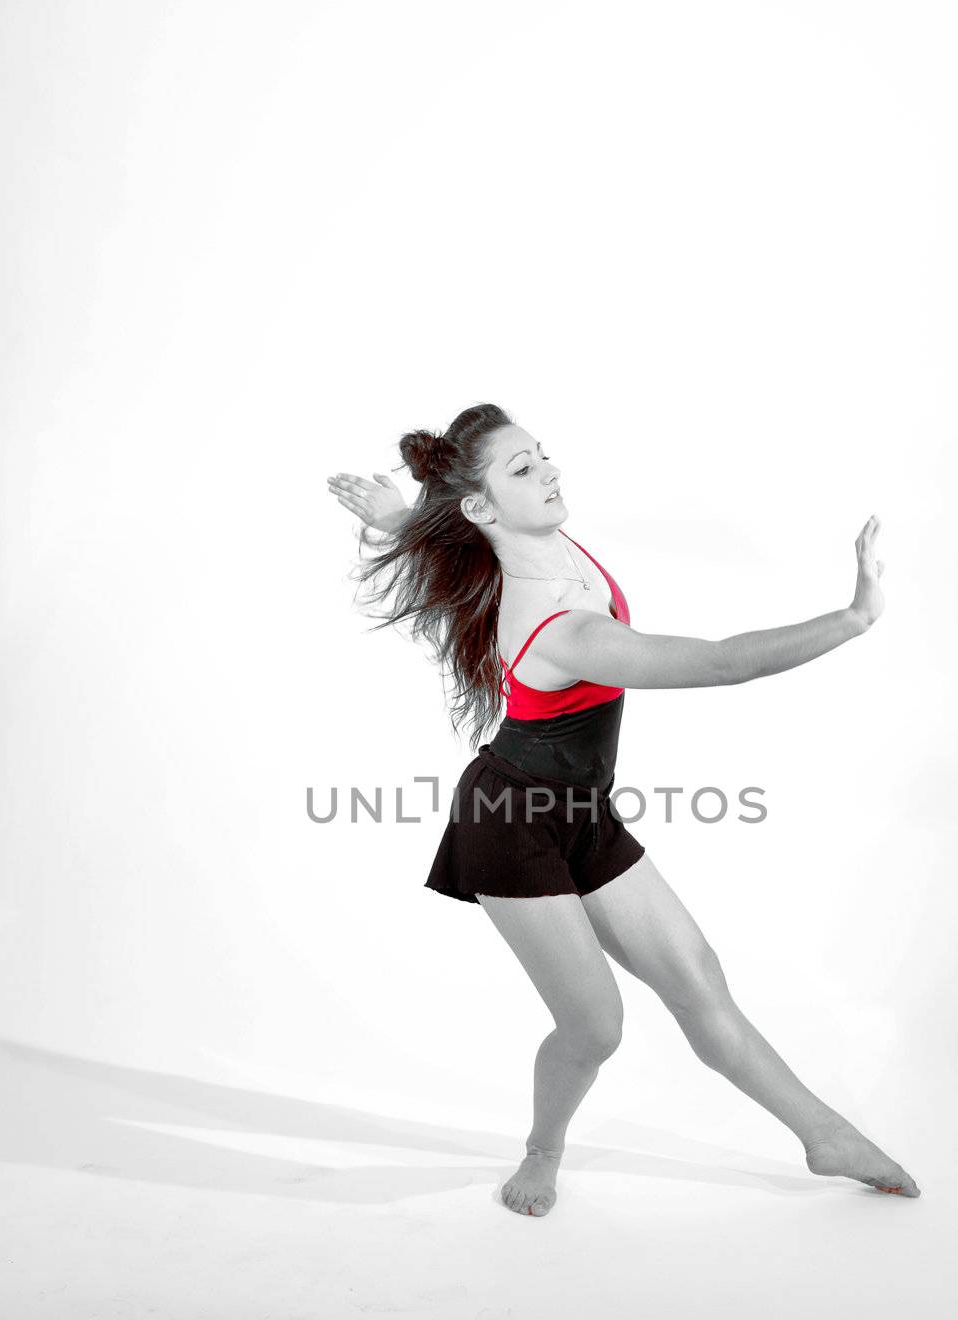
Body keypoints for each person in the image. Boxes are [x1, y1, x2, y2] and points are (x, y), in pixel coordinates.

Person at [327, 402, 920, 1218]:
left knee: (697, 979)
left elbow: (450, 542)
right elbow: (716, 666)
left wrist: (400, 519)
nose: (549, 474)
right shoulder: (554, 623)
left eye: (543, 456)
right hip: (509, 822)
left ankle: (825, 1137)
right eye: (523, 470)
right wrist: (851, 620)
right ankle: (543, 1149)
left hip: (581, 809)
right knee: (595, 1028)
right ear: (482, 506)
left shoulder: (531, 541)